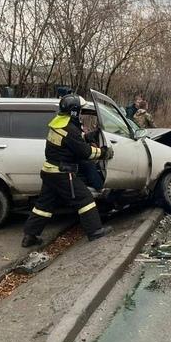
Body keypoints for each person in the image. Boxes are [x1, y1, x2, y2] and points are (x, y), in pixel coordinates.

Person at [21, 94, 114, 248]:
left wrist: (88, 135)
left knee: (43, 206)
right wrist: (104, 152)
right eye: (80, 110)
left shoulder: (59, 124)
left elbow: (73, 138)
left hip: (50, 172)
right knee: (85, 199)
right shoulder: (69, 129)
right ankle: (95, 231)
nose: (82, 113)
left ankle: (30, 237)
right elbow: (86, 153)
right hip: (62, 174)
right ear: (74, 111)